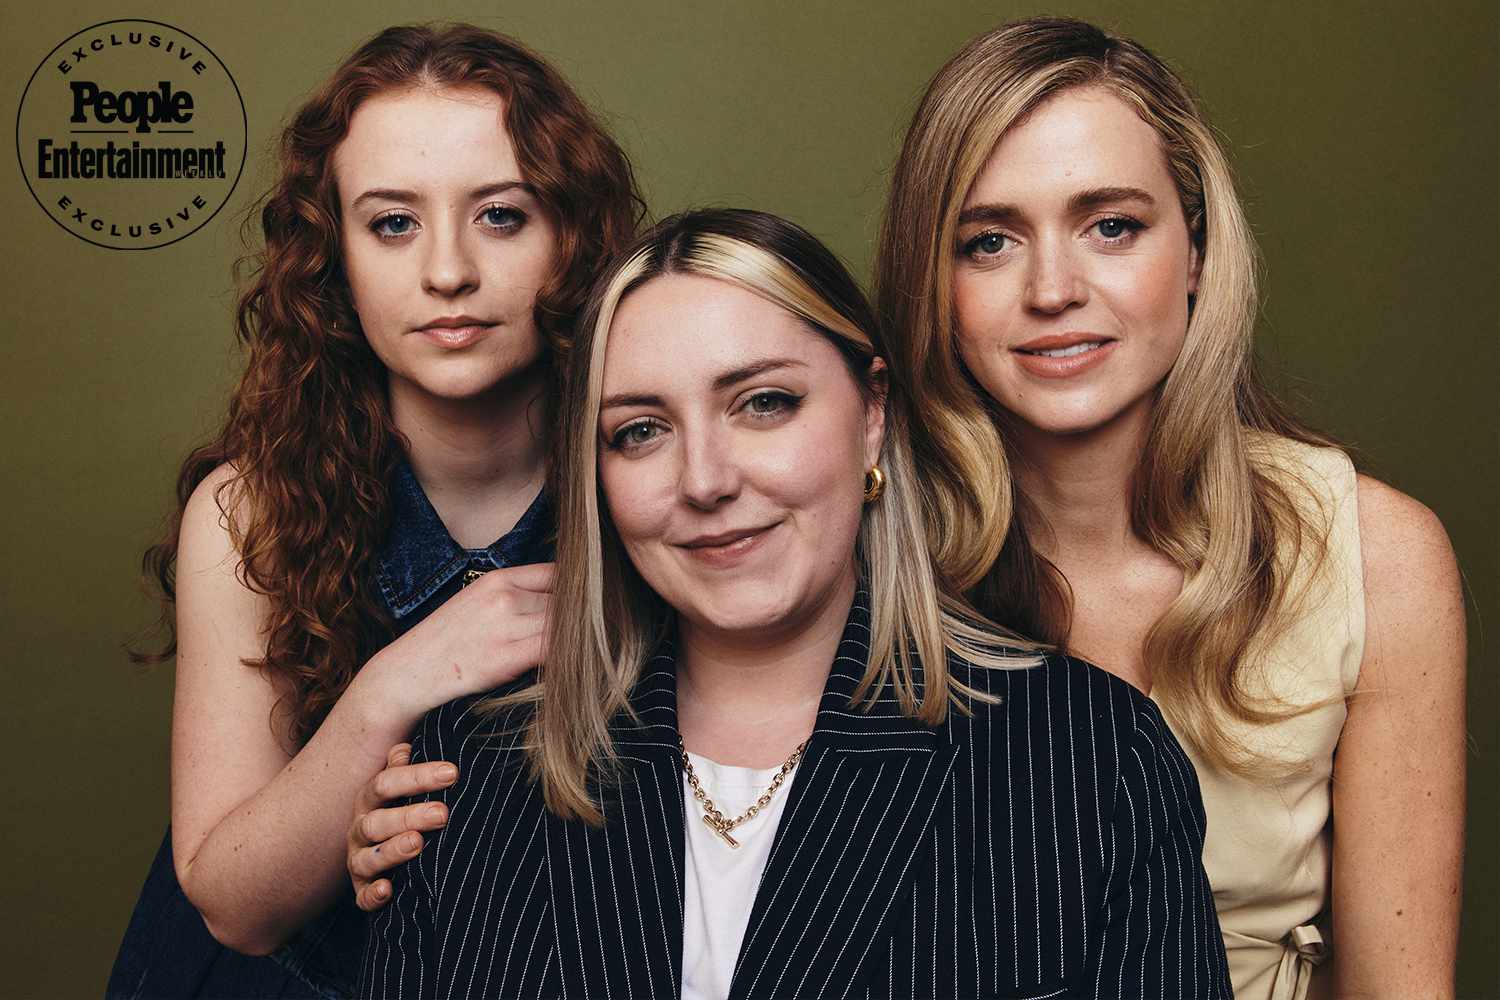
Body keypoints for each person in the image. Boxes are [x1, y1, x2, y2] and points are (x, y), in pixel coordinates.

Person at [360, 208, 1230, 999]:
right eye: (641, 431)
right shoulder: (461, 773)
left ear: (872, 413)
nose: (704, 481)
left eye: (764, 404)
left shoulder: (1090, 760)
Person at [873, 17, 1466, 1000]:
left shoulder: (1378, 554)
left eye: (1112, 225)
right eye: (989, 241)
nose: (1053, 289)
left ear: (1195, 249)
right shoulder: (857, 557)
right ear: (934, 282)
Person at [107, 23, 642, 998]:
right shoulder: (250, 509)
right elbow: (233, 902)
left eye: (502, 216)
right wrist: (396, 682)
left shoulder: (656, 478)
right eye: (393, 222)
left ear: (572, 235)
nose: (448, 272)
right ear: (335, 259)